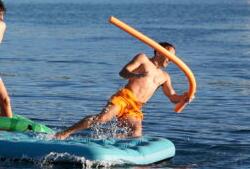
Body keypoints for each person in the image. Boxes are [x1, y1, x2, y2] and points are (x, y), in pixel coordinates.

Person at [54, 42, 189, 139]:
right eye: (169, 56)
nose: (171, 60)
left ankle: (109, 141)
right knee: (103, 118)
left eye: (173, 58)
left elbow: (172, 96)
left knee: (136, 133)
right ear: (159, 52)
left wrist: (184, 97)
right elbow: (123, 72)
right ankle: (66, 132)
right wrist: (135, 75)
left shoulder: (165, 76)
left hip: (136, 107)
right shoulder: (143, 59)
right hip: (124, 98)